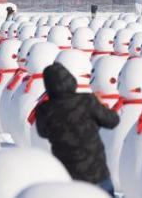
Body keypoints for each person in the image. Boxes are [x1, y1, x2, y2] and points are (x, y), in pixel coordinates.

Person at [34, 62, 120, 195]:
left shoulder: (44, 109)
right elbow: (112, 121)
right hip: (96, 170)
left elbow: (42, 132)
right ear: (70, 80)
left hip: (67, 173)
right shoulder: (87, 100)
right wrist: (101, 105)